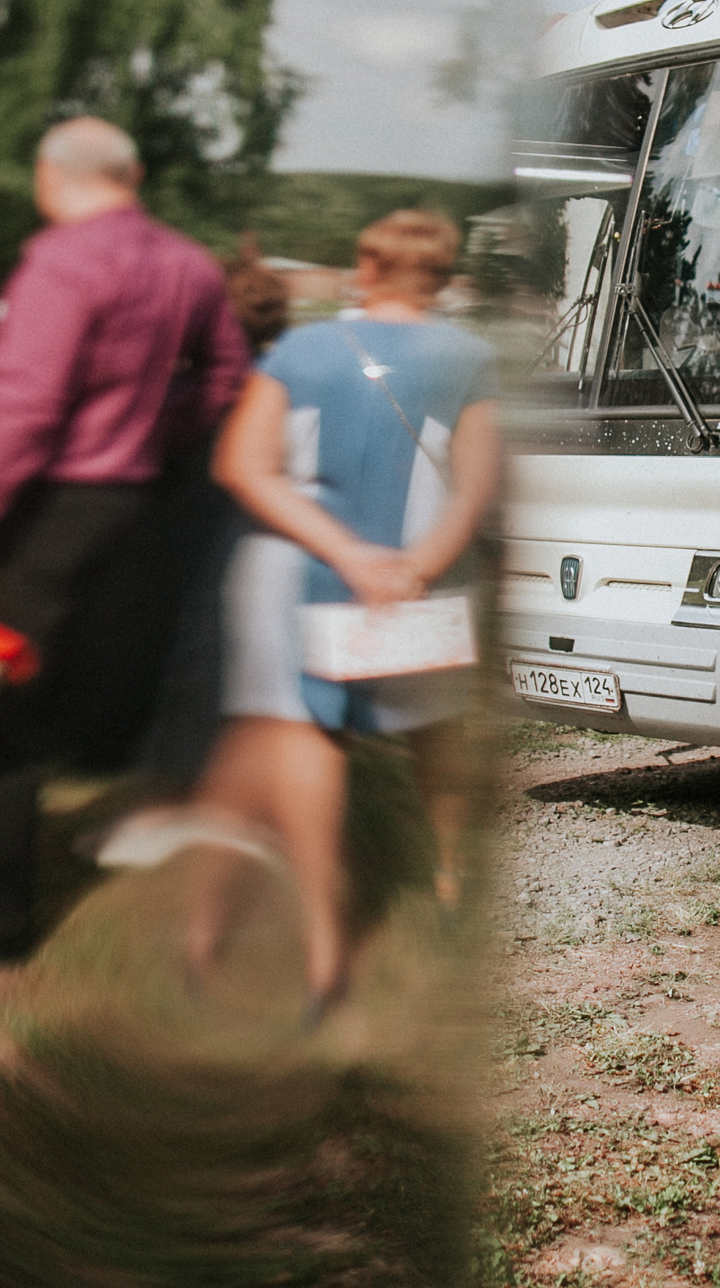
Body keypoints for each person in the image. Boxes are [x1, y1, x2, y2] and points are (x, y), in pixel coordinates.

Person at [0, 116, 249, 975]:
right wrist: (150, 435)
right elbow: (225, 377)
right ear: (133, 172)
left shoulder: (63, 258)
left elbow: (22, 406)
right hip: (118, 500)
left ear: (51, 174)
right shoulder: (188, 262)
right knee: (10, 690)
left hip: (41, 498)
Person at [193, 209, 501, 1010]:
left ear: (365, 267)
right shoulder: (470, 355)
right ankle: (450, 877)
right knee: (434, 731)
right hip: (421, 583)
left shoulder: (303, 348)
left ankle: (324, 945)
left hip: (304, 575)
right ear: (441, 274)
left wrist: (348, 555)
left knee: (306, 740)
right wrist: (414, 566)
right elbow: (475, 484)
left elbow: (243, 465)